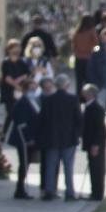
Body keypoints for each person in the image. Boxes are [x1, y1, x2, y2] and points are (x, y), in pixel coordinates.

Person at [38, 72, 82, 201]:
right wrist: (77, 135)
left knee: (51, 166)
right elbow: (78, 119)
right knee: (68, 168)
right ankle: (69, 192)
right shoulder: (73, 99)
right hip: (69, 139)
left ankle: (49, 191)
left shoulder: (48, 100)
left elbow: (42, 120)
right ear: (67, 85)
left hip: (52, 139)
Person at [4, 77, 40, 200]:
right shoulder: (23, 102)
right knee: (24, 163)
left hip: (30, 138)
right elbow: (21, 122)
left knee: (26, 164)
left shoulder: (32, 100)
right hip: (23, 139)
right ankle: (20, 189)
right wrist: (28, 139)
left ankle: (21, 188)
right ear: (25, 89)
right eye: (30, 88)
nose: (33, 90)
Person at [79, 83, 106, 202]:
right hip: (91, 143)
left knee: (97, 168)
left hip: (96, 144)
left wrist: (95, 145)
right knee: (93, 167)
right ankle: (94, 191)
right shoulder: (89, 106)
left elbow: (99, 129)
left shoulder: (96, 108)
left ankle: (97, 193)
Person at [0, 44, 32, 129]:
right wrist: (16, 86)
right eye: (14, 49)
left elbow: (27, 74)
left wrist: (21, 79)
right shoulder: (6, 63)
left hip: (20, 93)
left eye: (18, 49)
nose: (16, 51)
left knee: (20, 113)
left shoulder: (22, 62)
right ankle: (5, 133)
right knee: (11, 114)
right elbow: (7, 78)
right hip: (9, 93)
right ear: (9, 50)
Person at [69, 13, 98, 86]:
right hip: (88, 58)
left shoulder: (77, 31)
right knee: (88, 80)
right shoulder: (91, 31)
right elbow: (96, 43)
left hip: (78, 58)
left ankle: (79, 96)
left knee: (79, 80)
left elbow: (73, 45)